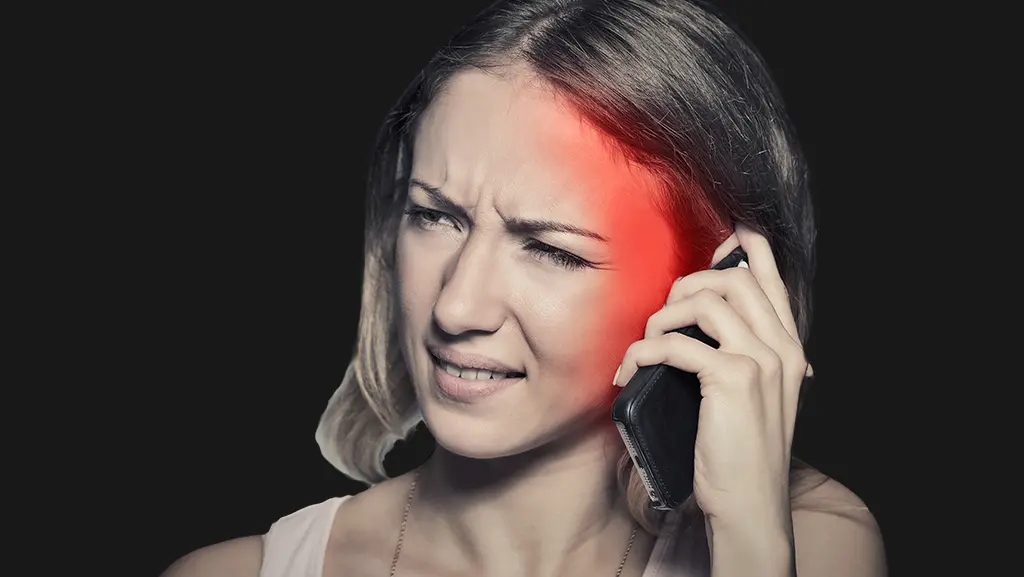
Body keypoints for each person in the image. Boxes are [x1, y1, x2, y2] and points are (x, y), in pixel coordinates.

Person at [163, 0, 886, 575]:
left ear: (715, 283)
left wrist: (751, 543)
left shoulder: (808, 545)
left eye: (549, 248)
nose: (455, 307)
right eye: (434, 215)